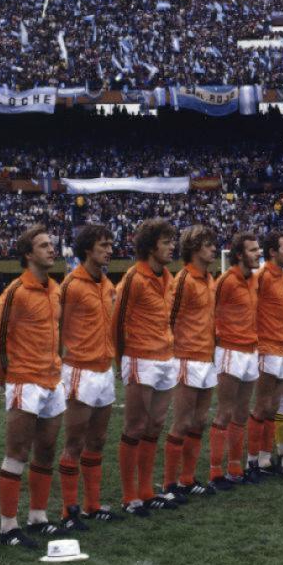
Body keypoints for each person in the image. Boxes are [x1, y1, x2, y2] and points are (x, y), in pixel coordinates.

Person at [0, 224, 64, 549]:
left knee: (47, 450)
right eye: (44, 245)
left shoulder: (55, 289)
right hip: (24, 380)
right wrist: (10, 380)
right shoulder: (15, 292)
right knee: (17, 452)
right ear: (28, 254)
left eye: (51, 244)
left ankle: (38, 517)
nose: (51, 249)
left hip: (52, 380)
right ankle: (8, 526)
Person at [112, 218, 179, 516]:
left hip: (166, 357)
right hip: (140, 358)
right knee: (135, 427)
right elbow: (117, 323)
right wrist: (122, 362)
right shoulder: (133, 279)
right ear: (151, 246)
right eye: (166, 242)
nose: (171, 246)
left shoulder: (167, 277)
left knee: (155, 425)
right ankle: (130, 497)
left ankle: (147, 491)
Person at [56, 225, 117, 531]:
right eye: (103, 246)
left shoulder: (107, 284)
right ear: (88, 250)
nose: (109, 250)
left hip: (105, 370)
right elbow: (55, 328)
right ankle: (68, 510)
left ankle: (92, 505)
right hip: (79, 369)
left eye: (110, 245)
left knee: (98, 440)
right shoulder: (71, 285)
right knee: (74, 442)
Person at [166, 225, 220, 498]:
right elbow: (169, 319)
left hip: (206, 358)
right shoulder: (183, 280)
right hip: (186, 357)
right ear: (196, 248)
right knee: (182, 422)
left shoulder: (209, 278)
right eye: (209, 245)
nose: (214, 249)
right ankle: (169, 484)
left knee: (199, 422)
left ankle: (187, 479)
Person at [211, 232, 261, 489]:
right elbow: (211, 314)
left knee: (241, 412)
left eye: (258, 249)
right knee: (224, 412)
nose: (258, 254)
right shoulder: (226, 281)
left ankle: (234, 468)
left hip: (251, 351)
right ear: (239, 254)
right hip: (230, 350)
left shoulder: (254, 280)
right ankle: (215, 473)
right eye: (253, 250)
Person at [248, 231, 283, 479]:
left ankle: (266, 458)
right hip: (267, 347)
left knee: (273, 405)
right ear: (273, 252)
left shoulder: (282, 277)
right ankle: (252, 460)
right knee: (262, 405)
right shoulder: (262, 276)